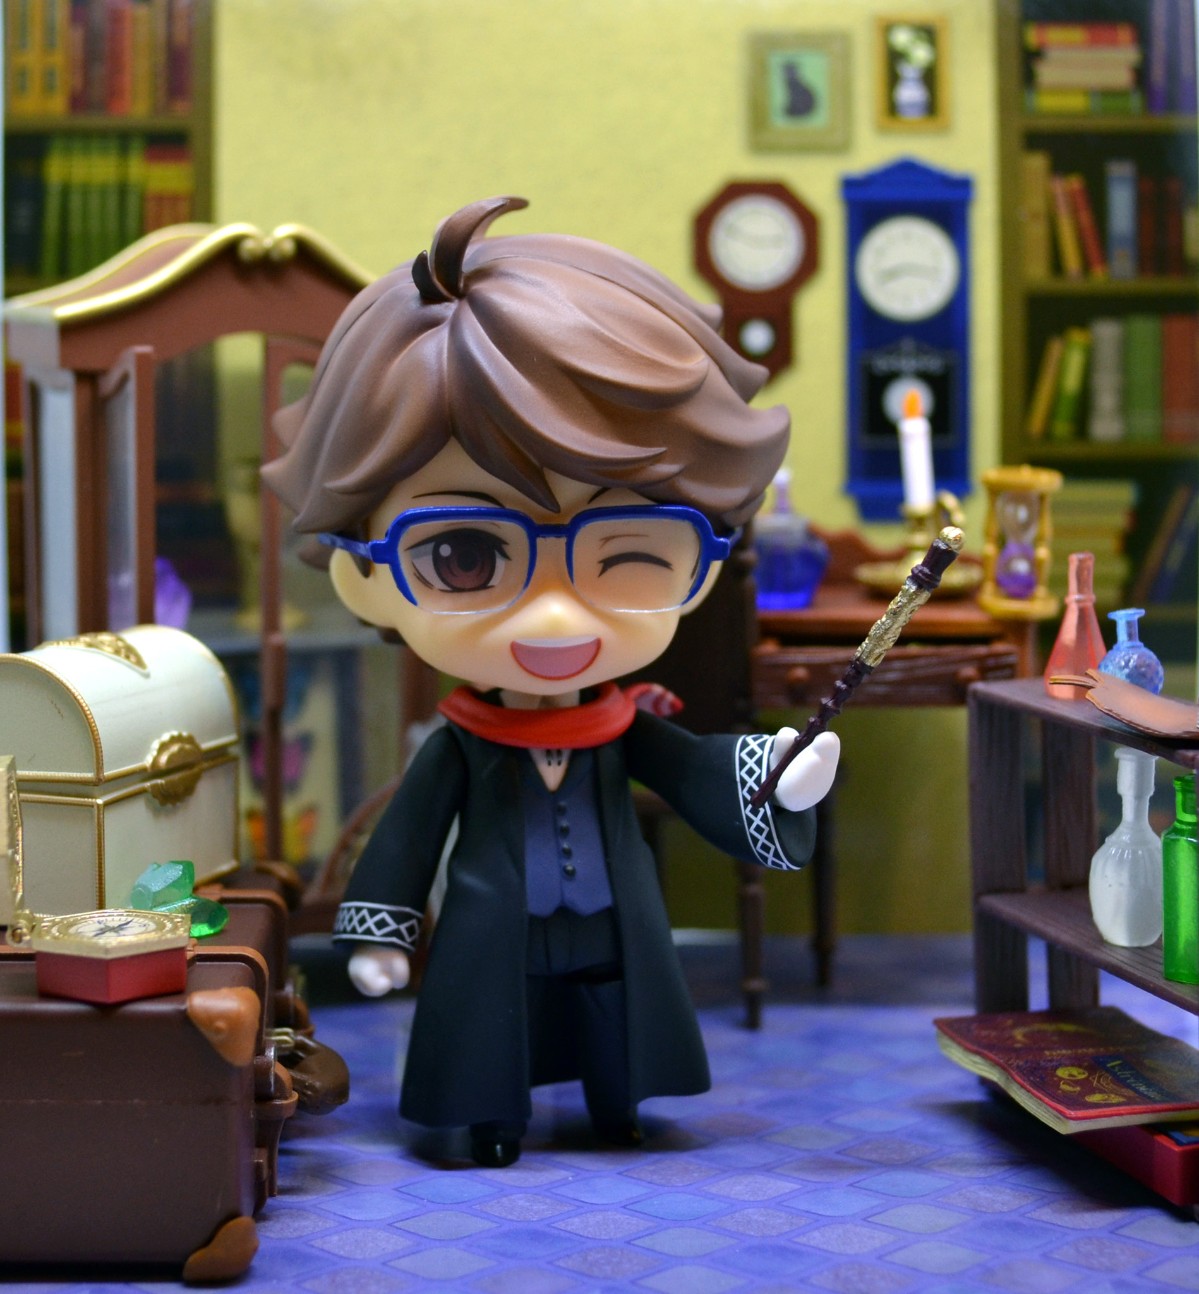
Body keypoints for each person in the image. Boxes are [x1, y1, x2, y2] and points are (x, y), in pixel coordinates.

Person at [263, 196, 839, 1168]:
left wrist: (776, 778)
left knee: (616, 1013)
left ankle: (618, 1103)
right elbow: (408, 836)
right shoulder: (462, 743)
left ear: (702, 563)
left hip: (612, 926)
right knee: (494, 1022)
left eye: (629, 551)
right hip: (495, 930)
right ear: (362, 571)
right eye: (464, 554)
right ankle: (492, 1117)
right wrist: (381, 934)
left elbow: (694, 770)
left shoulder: (620, 725)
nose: (558, 617)